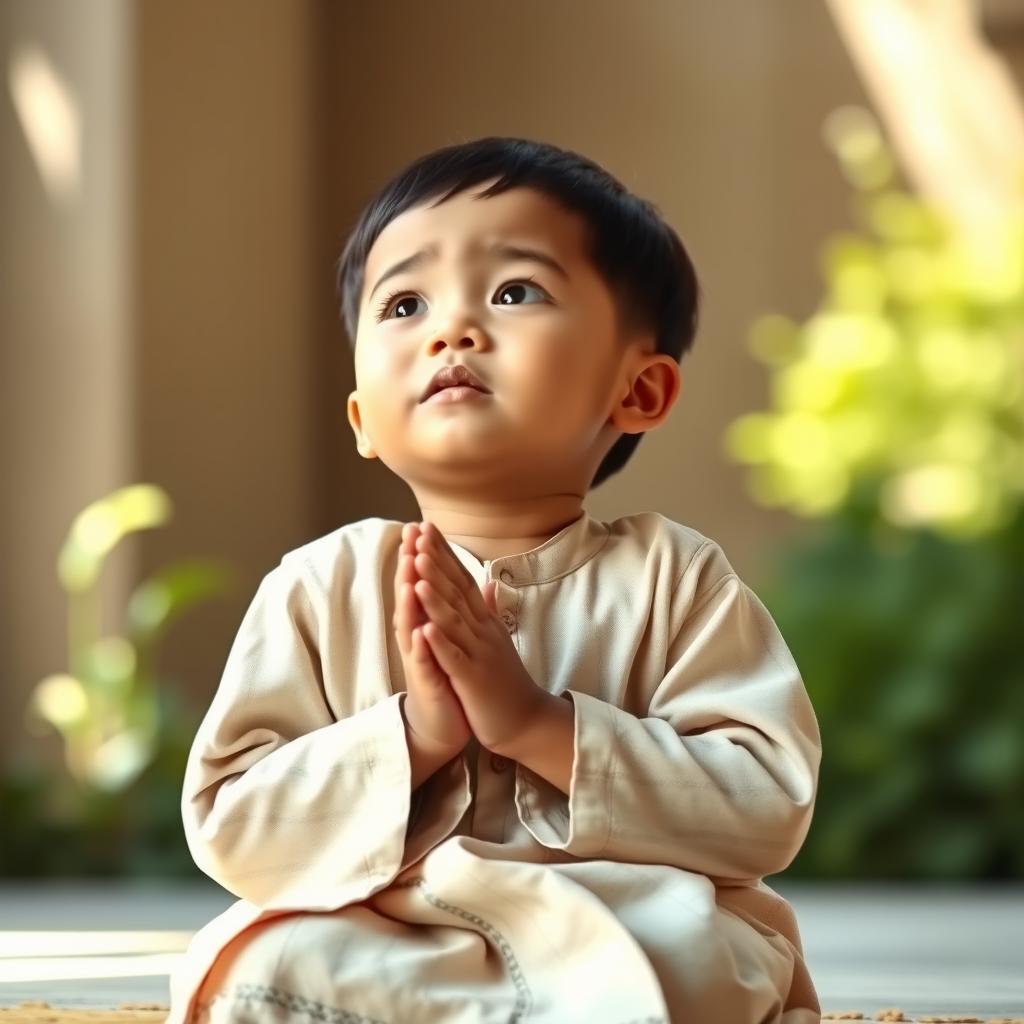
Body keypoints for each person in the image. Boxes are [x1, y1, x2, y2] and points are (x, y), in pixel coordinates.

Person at [167, 136, 823, 1024]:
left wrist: (534, 723)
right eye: (403, 303)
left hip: (626, 922)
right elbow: (232, 826)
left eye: (516, 292)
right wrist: (416, 732)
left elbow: (763, 806)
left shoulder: (676, 578)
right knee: (263, 966)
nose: (452, 329)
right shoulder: (322, 586)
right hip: (389, 928)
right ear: (364, 418)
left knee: (703, 960)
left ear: (640, 392)